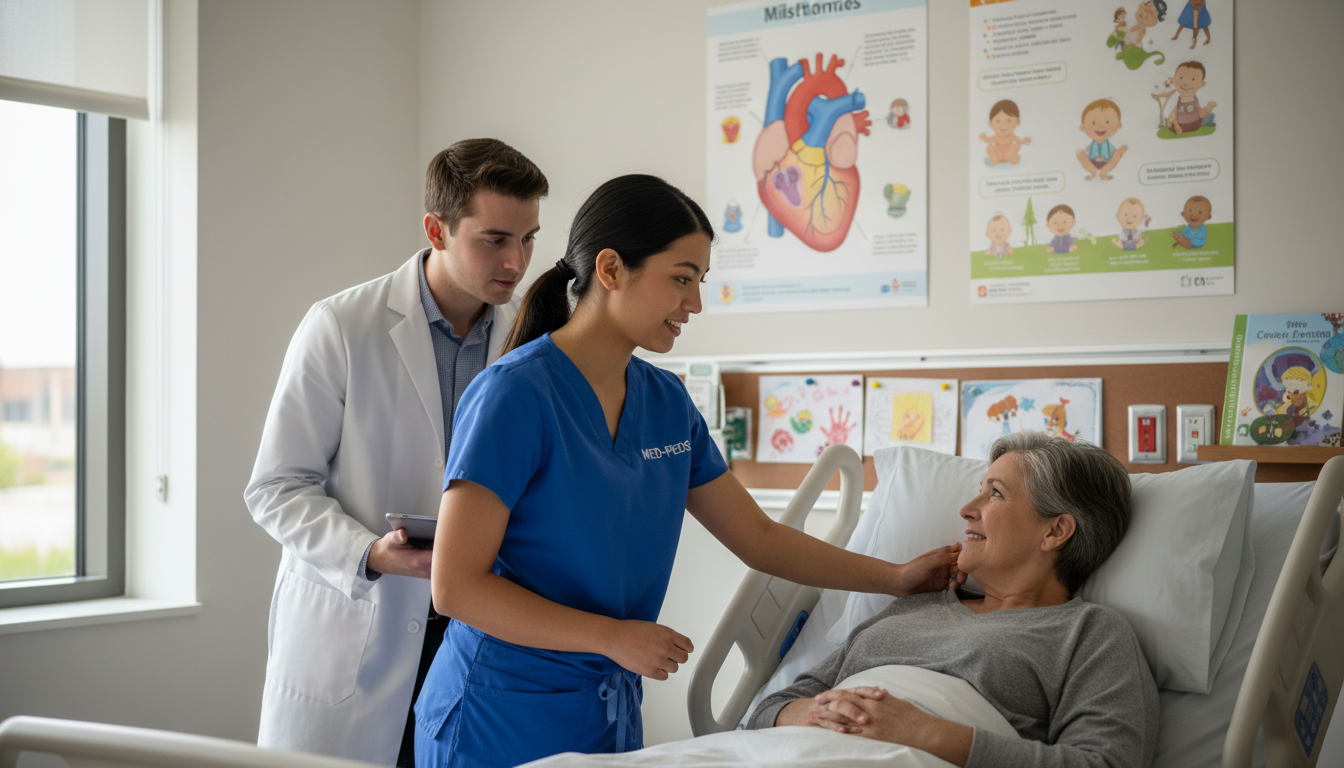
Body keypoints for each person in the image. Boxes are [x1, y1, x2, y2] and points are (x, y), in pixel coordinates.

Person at [413, 174, 966, 768]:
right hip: (500, 710)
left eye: (700, 282)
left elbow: (759, 539)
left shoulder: (666, 402)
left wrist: (897, 577)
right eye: (681, 278)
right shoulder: (516, 395)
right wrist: (612, 636)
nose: (695, 303)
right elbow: (456, 587)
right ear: (610, 268)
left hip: (607, 705)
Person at [245, 139, 548, 766]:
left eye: (528, 239)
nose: (516, 261)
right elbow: (275, 487)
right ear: (437, 229)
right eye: (494, 239)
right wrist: (368, 554)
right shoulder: (340, 326)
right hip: (364, 621)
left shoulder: (531, 340)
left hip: (480, 629)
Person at [748, 432, 1159, 768]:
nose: (966, 509)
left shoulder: (1091, 633)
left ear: (1055, 531)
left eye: (994, 494)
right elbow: (772, 708)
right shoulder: (912, 605)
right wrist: (812, 714)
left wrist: (924, 733)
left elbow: (1105, 763)